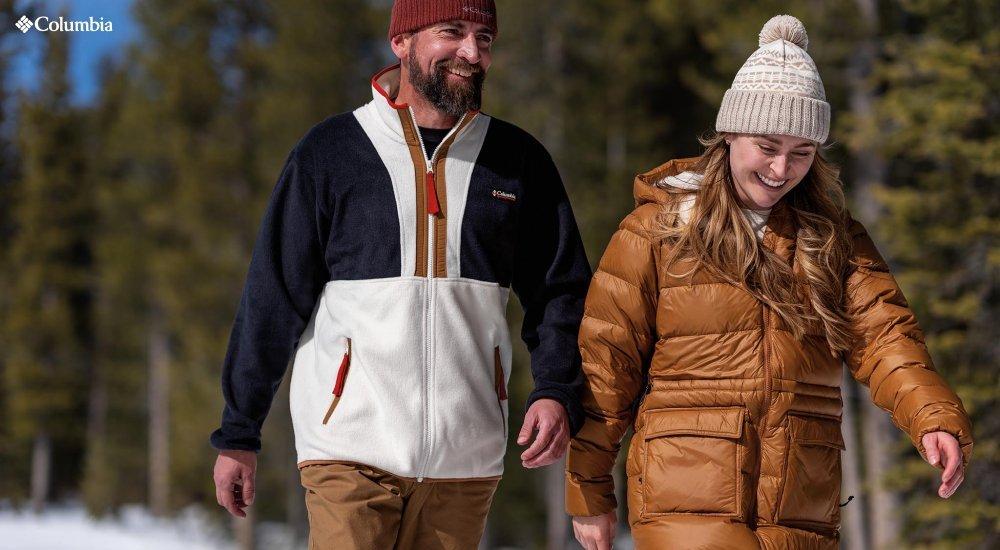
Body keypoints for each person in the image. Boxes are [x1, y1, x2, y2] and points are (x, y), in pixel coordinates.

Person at [565, 15, 973, 550]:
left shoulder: (833, 239)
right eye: (768, 145)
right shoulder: (659, 231)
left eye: (802, 153)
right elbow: (607, 366)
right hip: (686, 491)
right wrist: (589, 490)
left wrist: (933, 418)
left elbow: (885, 337)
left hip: (799, 498)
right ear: (730, 133)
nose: (782, 168)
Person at [208, 1, 592, 547]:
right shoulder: (330, 153)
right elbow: (272, 297)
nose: (472, 52)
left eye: (484, 37)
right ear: (402, 42)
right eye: (452, 32)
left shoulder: (518, 161)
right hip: (347, 449)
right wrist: (239, 432)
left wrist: (555, 388)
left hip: (465, 459)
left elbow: (560, 292)